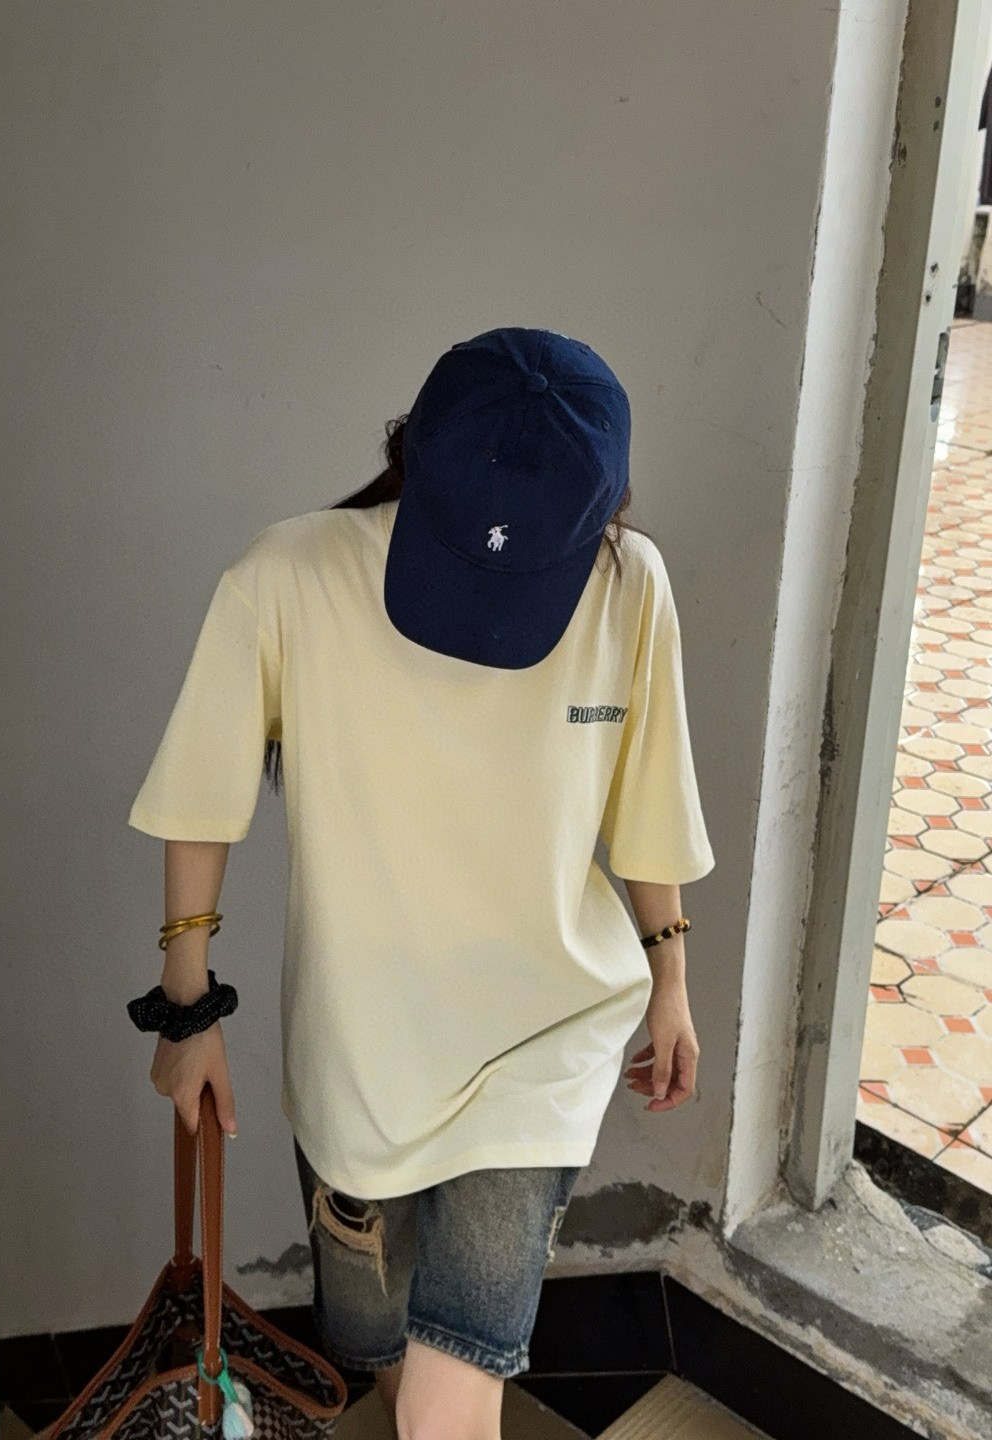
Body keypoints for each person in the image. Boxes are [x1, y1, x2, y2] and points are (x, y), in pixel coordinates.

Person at [126, 326, 715, 1440]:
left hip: (541, 1041)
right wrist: (187, 1011)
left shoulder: (630, 585)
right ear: (413, 451)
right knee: (386, 1354)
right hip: (360, 1061)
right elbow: (201, 798)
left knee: (449, 1404)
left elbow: (649, 806)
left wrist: (670, 981)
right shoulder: (287, 577)